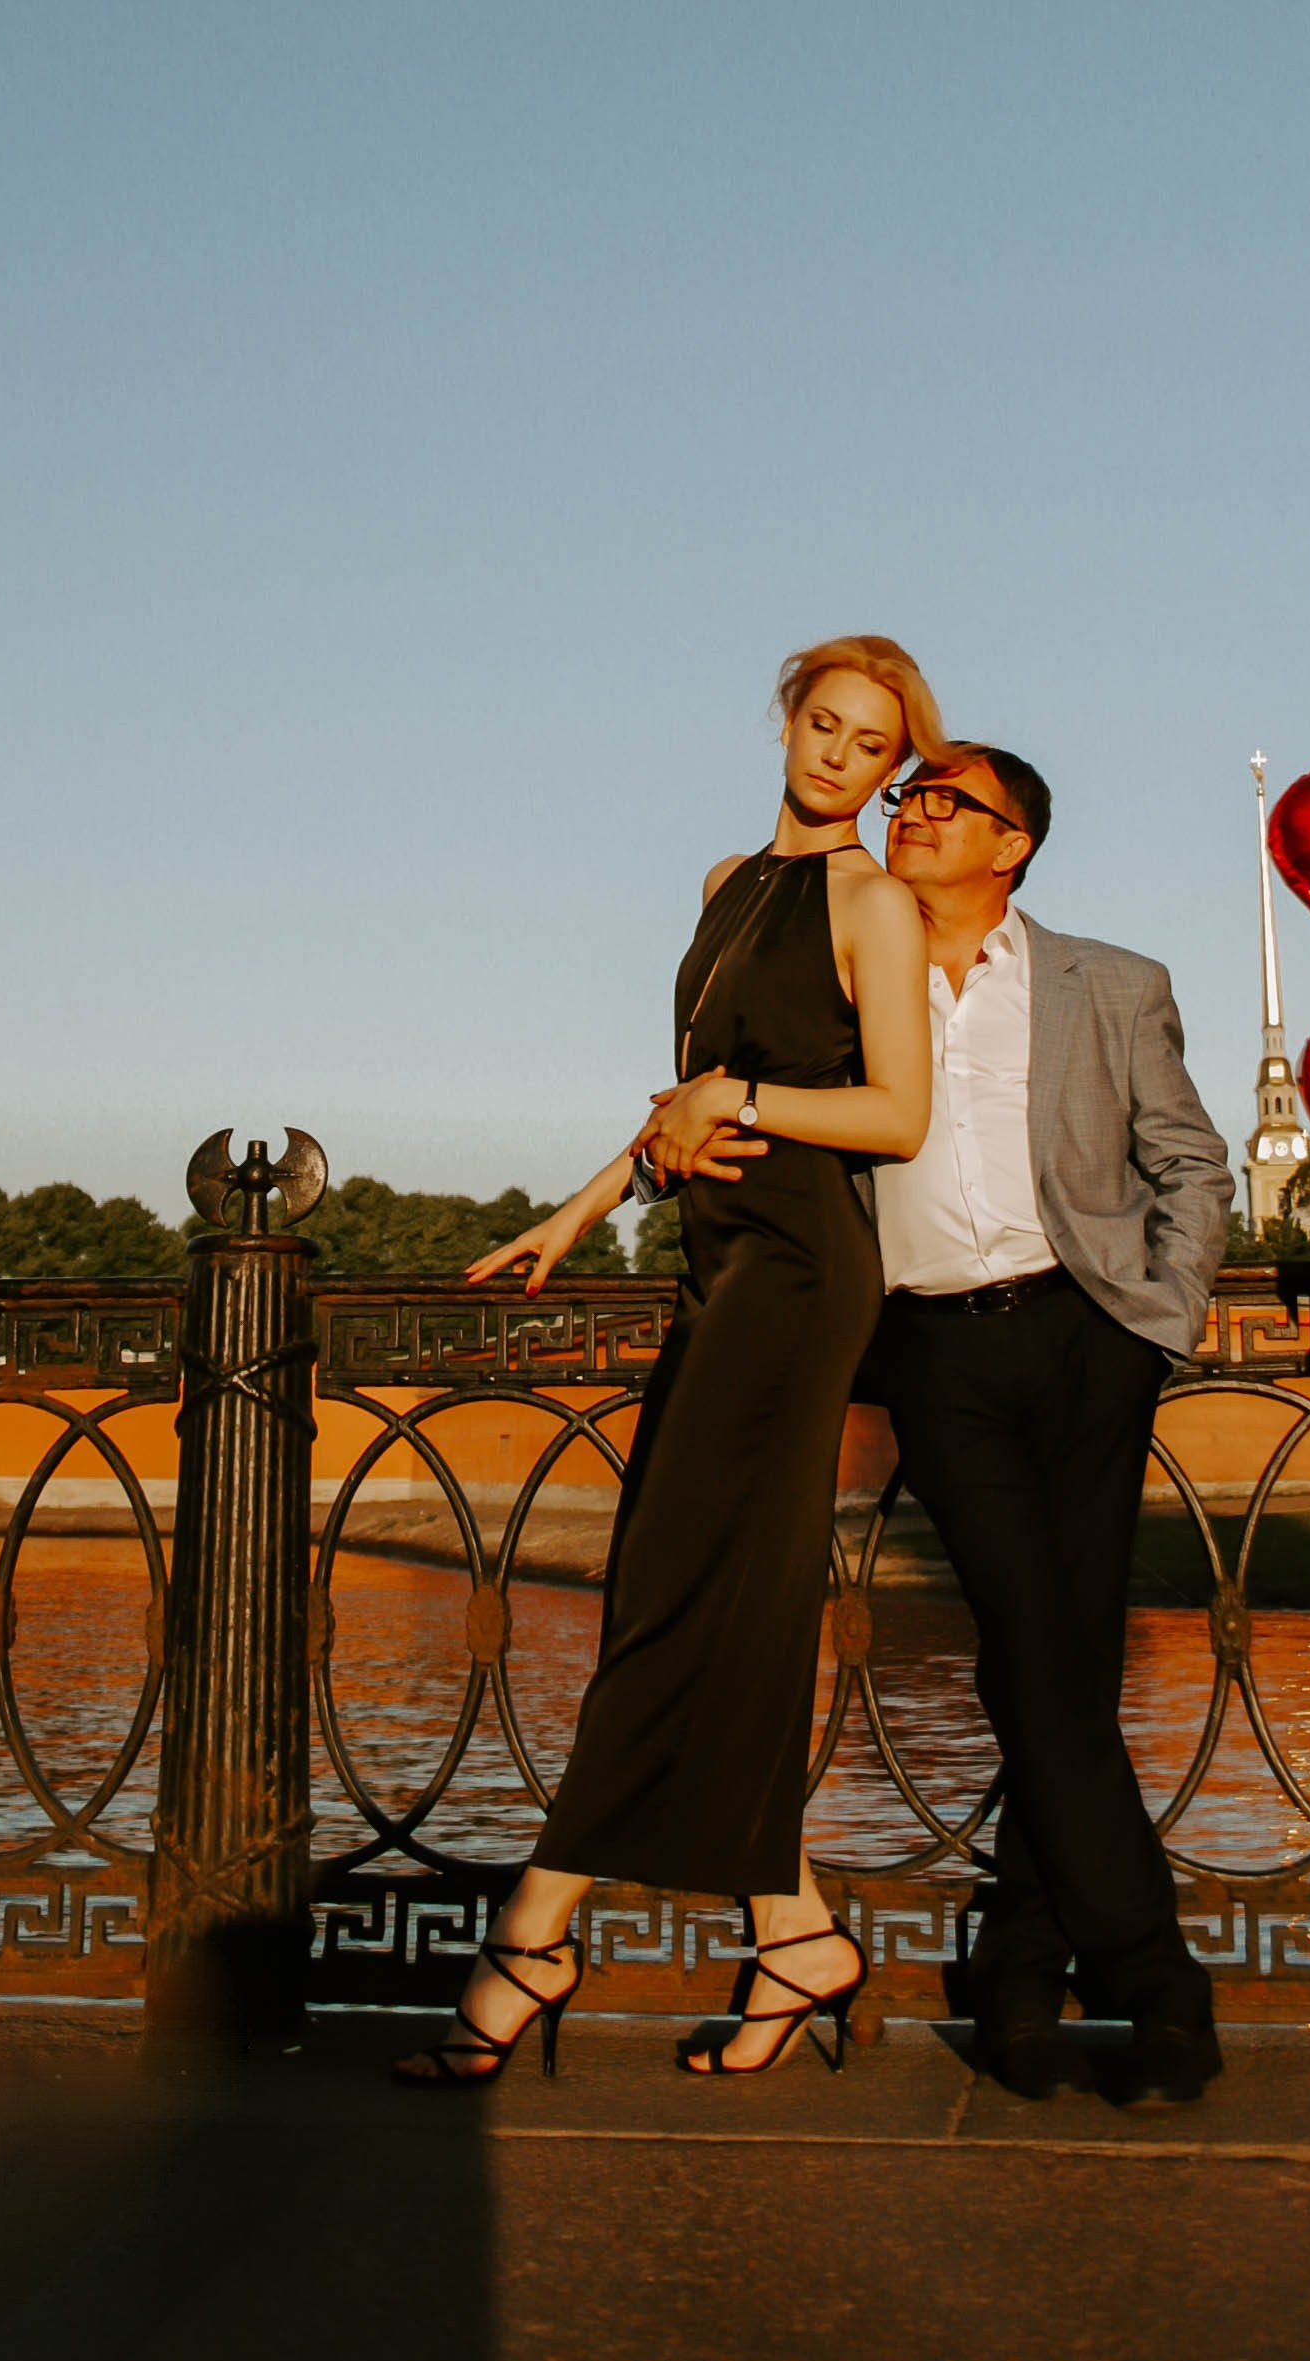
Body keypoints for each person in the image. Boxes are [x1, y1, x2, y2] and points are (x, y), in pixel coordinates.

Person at [394, 636, 936, 2090]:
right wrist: (581, 1208)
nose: (835, 753)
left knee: (668, 1594)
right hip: (713, 1260)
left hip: (803, 1269)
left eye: (868, 743)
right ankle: (795, 1929)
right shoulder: (723, 886)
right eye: (821, 724)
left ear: (890, 771)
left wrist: (743, 1095)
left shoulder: (870, 903)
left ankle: (532, 1936)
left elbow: (894, 1115)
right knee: (698, 1589)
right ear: (784, 727)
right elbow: (680, 1098)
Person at [864, 745, 1234, 2105]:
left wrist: (1155, 1320)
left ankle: (1020, 1967)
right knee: (1033, 1643)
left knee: (1059, 1661)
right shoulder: (850, 971)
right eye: (906, 794)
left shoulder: (1109, 982)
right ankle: (1152, 1973)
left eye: (941, 798)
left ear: (1011, 843)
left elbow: (1189, 1161)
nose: (910, 809)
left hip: (1086, 1338)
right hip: (929, 1343)